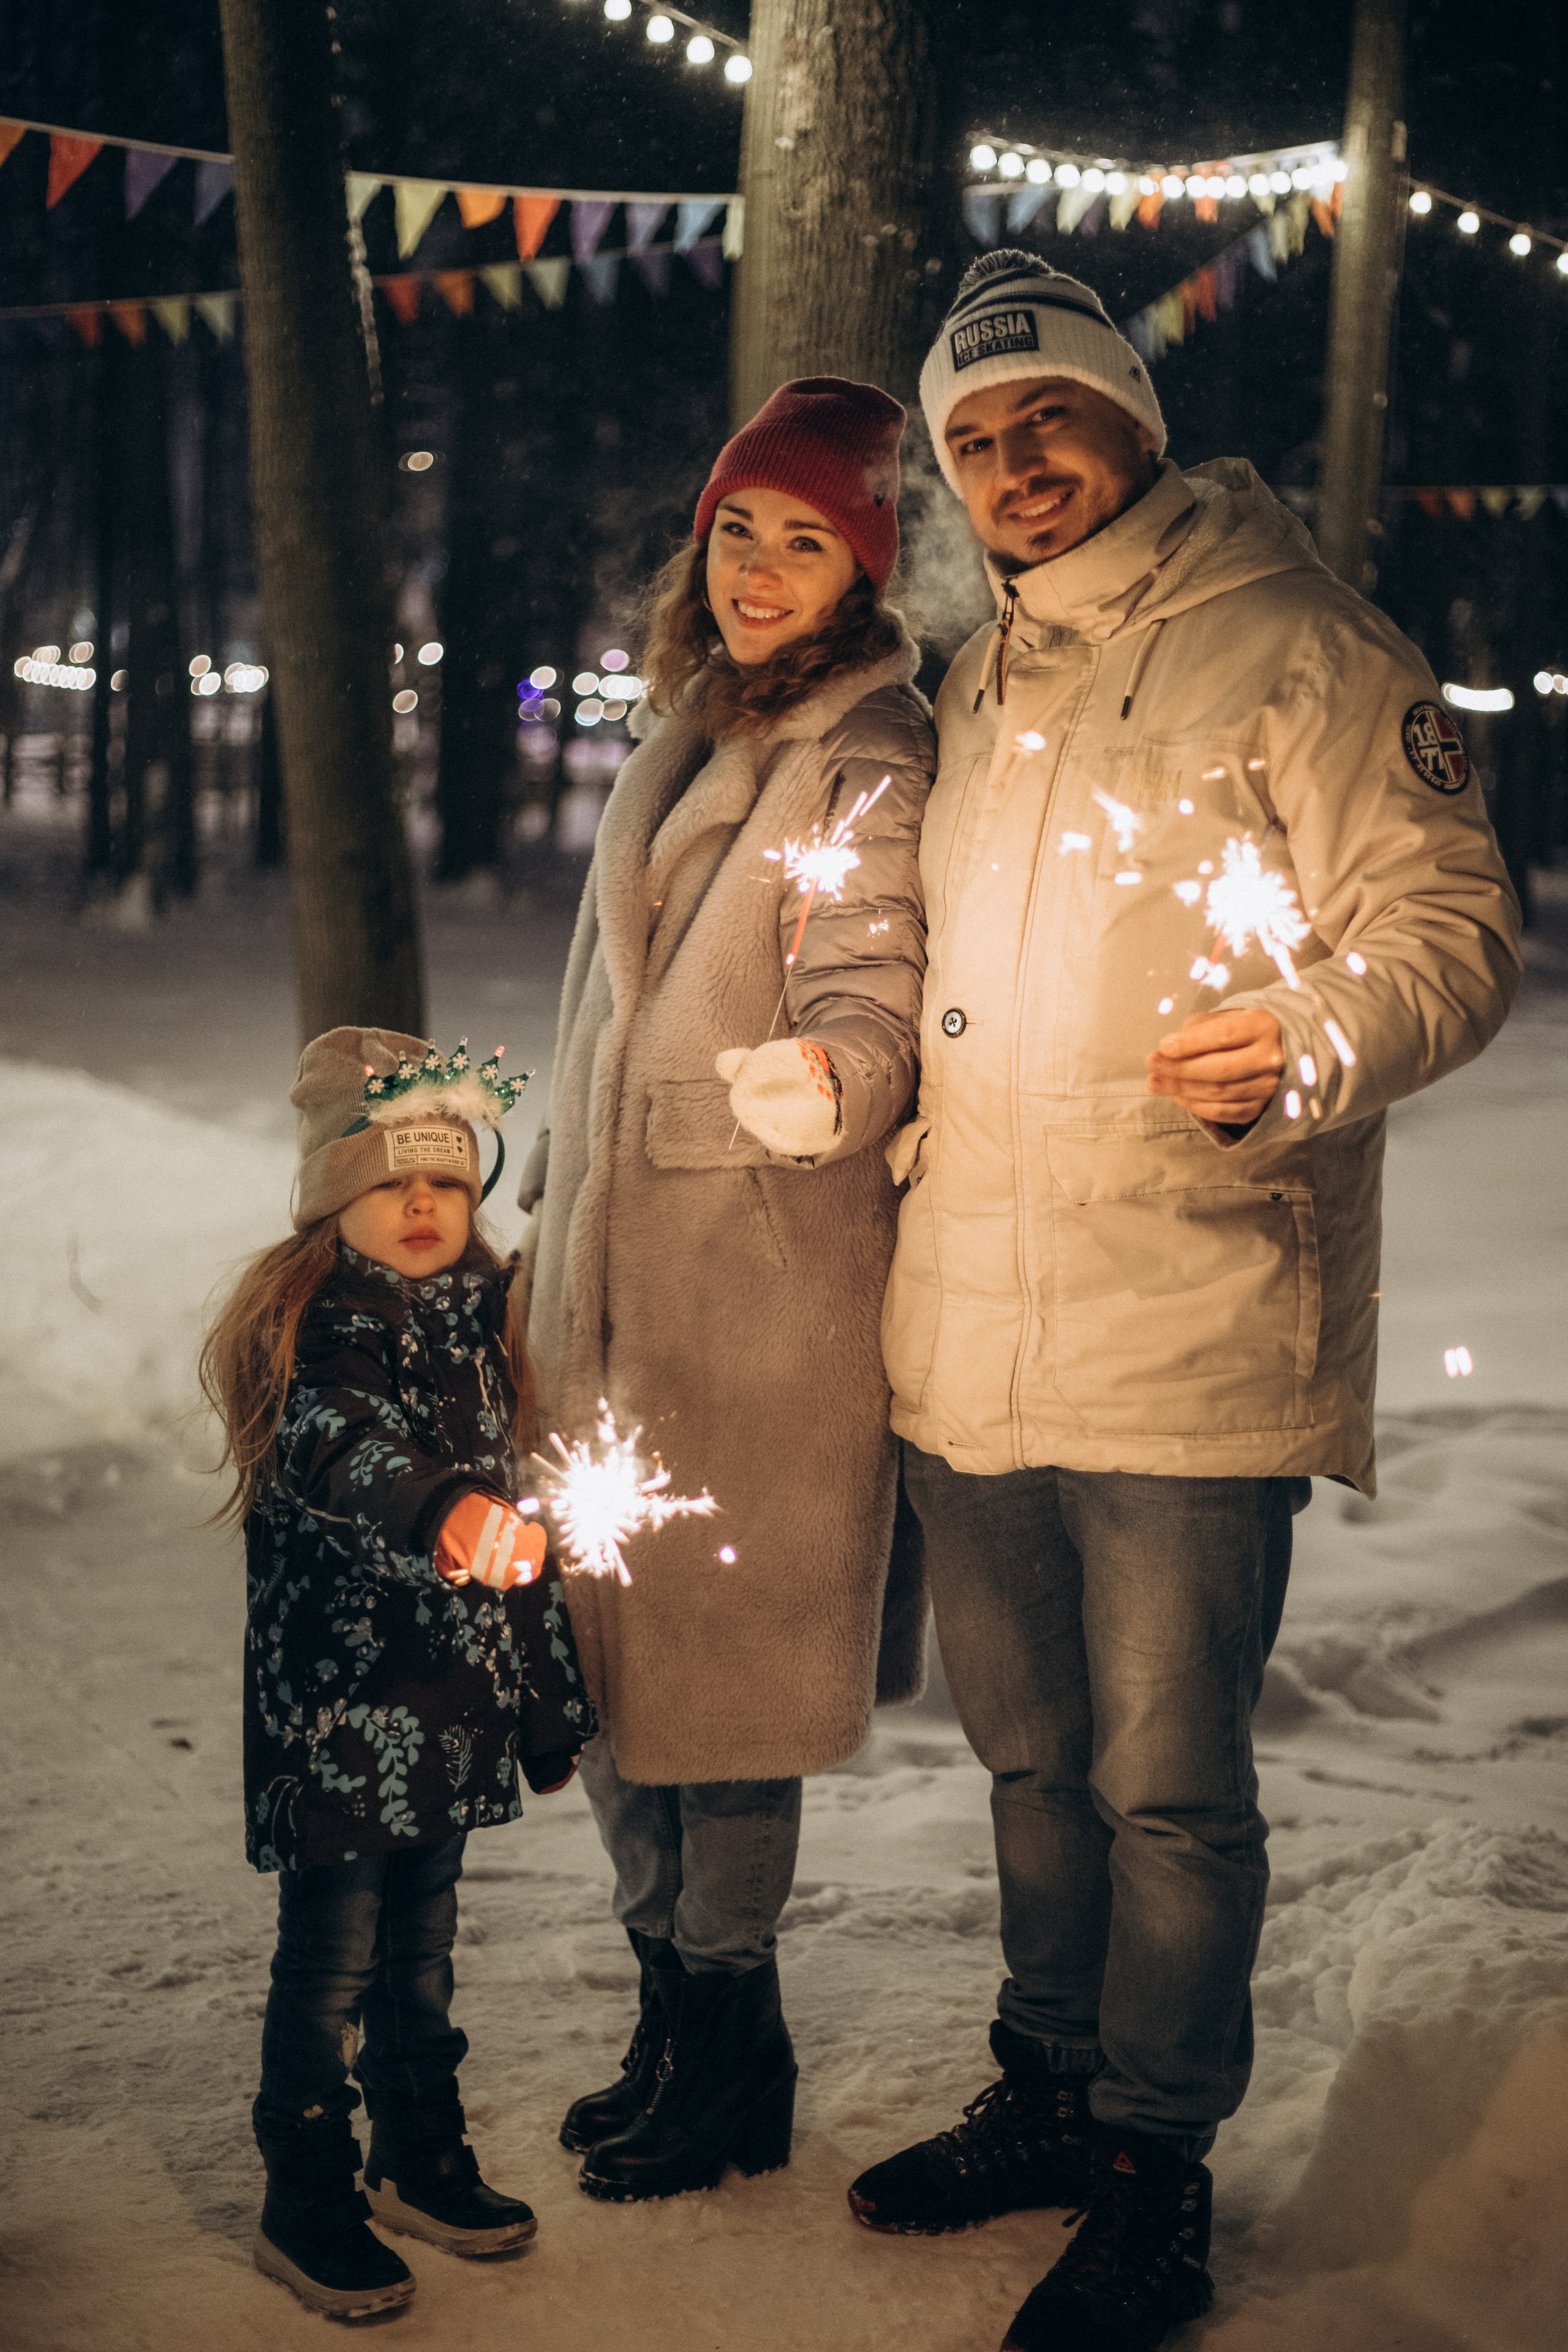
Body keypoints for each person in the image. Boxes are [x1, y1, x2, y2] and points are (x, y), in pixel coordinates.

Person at [850, 253, 1521, 2351]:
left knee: (1165, 1789)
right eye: (973, 441)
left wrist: (1322, 1037)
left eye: (1046, 416)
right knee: (1028, 1762)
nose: (1013, 463)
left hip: (1196, 1318)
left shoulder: (1306, 648)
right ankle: (1048, 2090)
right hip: (971, 1325)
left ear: (1132, 417)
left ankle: (1156, 2164)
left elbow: (1448, 926)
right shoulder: (976, 678)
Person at [521, 376, 935, 2203]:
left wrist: (829, 1082)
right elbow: (603, 1010)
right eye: (740, 532)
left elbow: (870, 980)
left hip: (756, 1289)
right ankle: (664, 2012)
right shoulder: (690, 722)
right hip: (611, 1271)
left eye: (808, 540)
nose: (763, 569)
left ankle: (733, 2043)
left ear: (863, 570)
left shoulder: (869, 752)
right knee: (616, 1667)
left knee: (730, 1682)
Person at [202, 1028, 593, 2319]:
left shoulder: (489, 1322)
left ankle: (417, 2155)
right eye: (387, 1182)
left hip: (448, 1717)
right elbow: (340, 1449)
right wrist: (442, 1510)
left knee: (420, 1957)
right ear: (330, 1199)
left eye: (445, 1182)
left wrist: (544, 1709)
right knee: (329, 1965)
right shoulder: (320, 1331)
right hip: (343, 1716)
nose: (422, 1206)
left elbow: (524, 1523)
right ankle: (304, 2187)